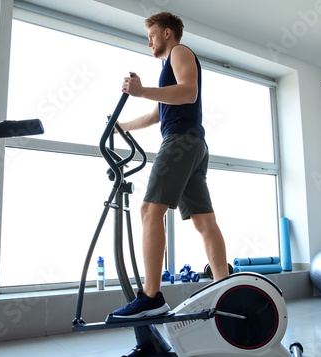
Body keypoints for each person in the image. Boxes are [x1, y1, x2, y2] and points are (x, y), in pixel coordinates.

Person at [112, 12, 229, 318]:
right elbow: (155, 115)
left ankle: (151, 297)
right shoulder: (168, 69)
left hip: (180, 141)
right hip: (193, 144)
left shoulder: (179, 52)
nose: (148, 41)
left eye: (151, 35)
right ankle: (226, 289)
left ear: (166, 33)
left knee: (151, 210)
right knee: (204, 222)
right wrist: (121, 126)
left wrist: (141, 90)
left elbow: (188, 93)